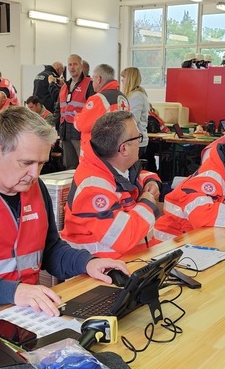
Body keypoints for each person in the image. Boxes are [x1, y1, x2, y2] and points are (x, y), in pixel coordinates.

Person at [0, 107, 128, 321]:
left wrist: (86, 263)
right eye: (26, 163)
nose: (34, 174)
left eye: (41, 164)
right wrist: (14, 292)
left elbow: (50, 249)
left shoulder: (34, 187)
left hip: (18, 315)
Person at [62, 111, 161, 259]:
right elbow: (124, 236)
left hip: (134, 262)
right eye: (137, 138)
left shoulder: (113, 165)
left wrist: (151, 181)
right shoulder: (92, 189)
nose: (139, 143)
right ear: (124, 149)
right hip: (101, 274)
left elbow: (134, 177)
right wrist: (147, 202)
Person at [74, 64, 130, 155]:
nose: (92, 82)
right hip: (118, 148)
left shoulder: (99, 99)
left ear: (99, 79)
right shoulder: (122, 97)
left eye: (93, 78)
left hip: (97, 150)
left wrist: (77, 117)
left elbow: (82, 124)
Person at [57, 54, 94, 169]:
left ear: (81, 66)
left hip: (80, 132)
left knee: (85, 164)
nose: (72, 67)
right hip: (65, 131)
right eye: (70, 64)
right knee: (69, 166)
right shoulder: (64, 87)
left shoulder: (89, 84)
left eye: (75, 64)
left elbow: (93, 109)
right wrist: (57, 128)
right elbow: (58, 109)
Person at [120, 67, 149, 157]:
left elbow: (132, 119)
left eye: (124, 78)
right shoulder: (133, 95)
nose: (122, 81)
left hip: (136, 140)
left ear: (129, 79)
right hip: (131, 139)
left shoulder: (137, 96)